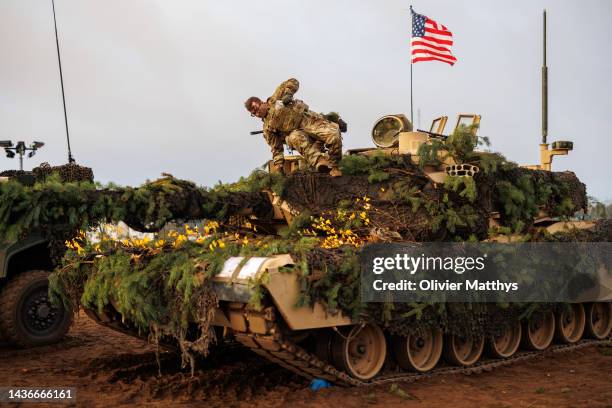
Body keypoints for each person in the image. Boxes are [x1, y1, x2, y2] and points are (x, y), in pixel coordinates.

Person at [245, 78, 343, 177]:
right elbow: (276, 149)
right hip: (299, 136)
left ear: (261, 102)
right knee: (294, 137)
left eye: (256, 109)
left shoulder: (275, 99)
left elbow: (293, 81)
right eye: (253, 113)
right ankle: (320, 162)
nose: (256, 113)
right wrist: (279, 166)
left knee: (334, 135)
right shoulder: (268, 129)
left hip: (310, 122)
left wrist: (288, 94)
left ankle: (334, 166)